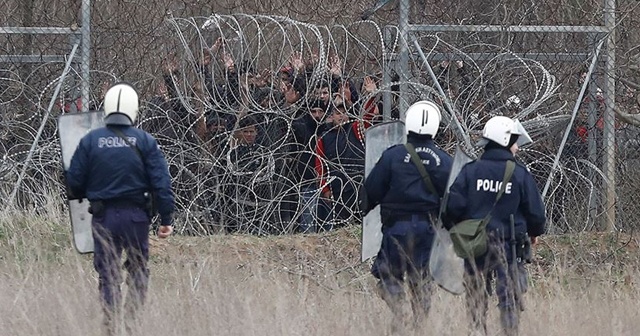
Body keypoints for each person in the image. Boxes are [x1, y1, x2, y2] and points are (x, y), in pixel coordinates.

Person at [65, 82, 175, 335]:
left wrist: (89, 191)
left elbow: (74, 182)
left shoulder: (91, 140)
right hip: (136, 218)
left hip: (103, 217)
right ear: (133, 109)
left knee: (108, 274)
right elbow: (162, 183)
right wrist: (166, 218)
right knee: (138, 269)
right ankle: (132, 321)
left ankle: (111, 324)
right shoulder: (146, 141)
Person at [446, 116, 546, 336]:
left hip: (475, 245)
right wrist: (534, 232)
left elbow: (450, 208)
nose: (517, 148)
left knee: (475, 294)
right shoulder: (520, 174)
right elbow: (536, 213)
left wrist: (461, 231)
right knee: (509, 296)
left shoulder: (471, 171)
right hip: (510, 246)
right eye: (514, 142)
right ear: (504, 141)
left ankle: (476, 330)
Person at [362, 100, 453, 330]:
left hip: (396, 228)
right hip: (428, 230)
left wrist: (365, 208)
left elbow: (371, 191)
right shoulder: (444, 161)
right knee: (422, 281)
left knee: (387, 276)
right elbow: (455, 199)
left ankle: (399, 310)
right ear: (435, 126)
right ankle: (420, 325)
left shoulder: (393, 156)